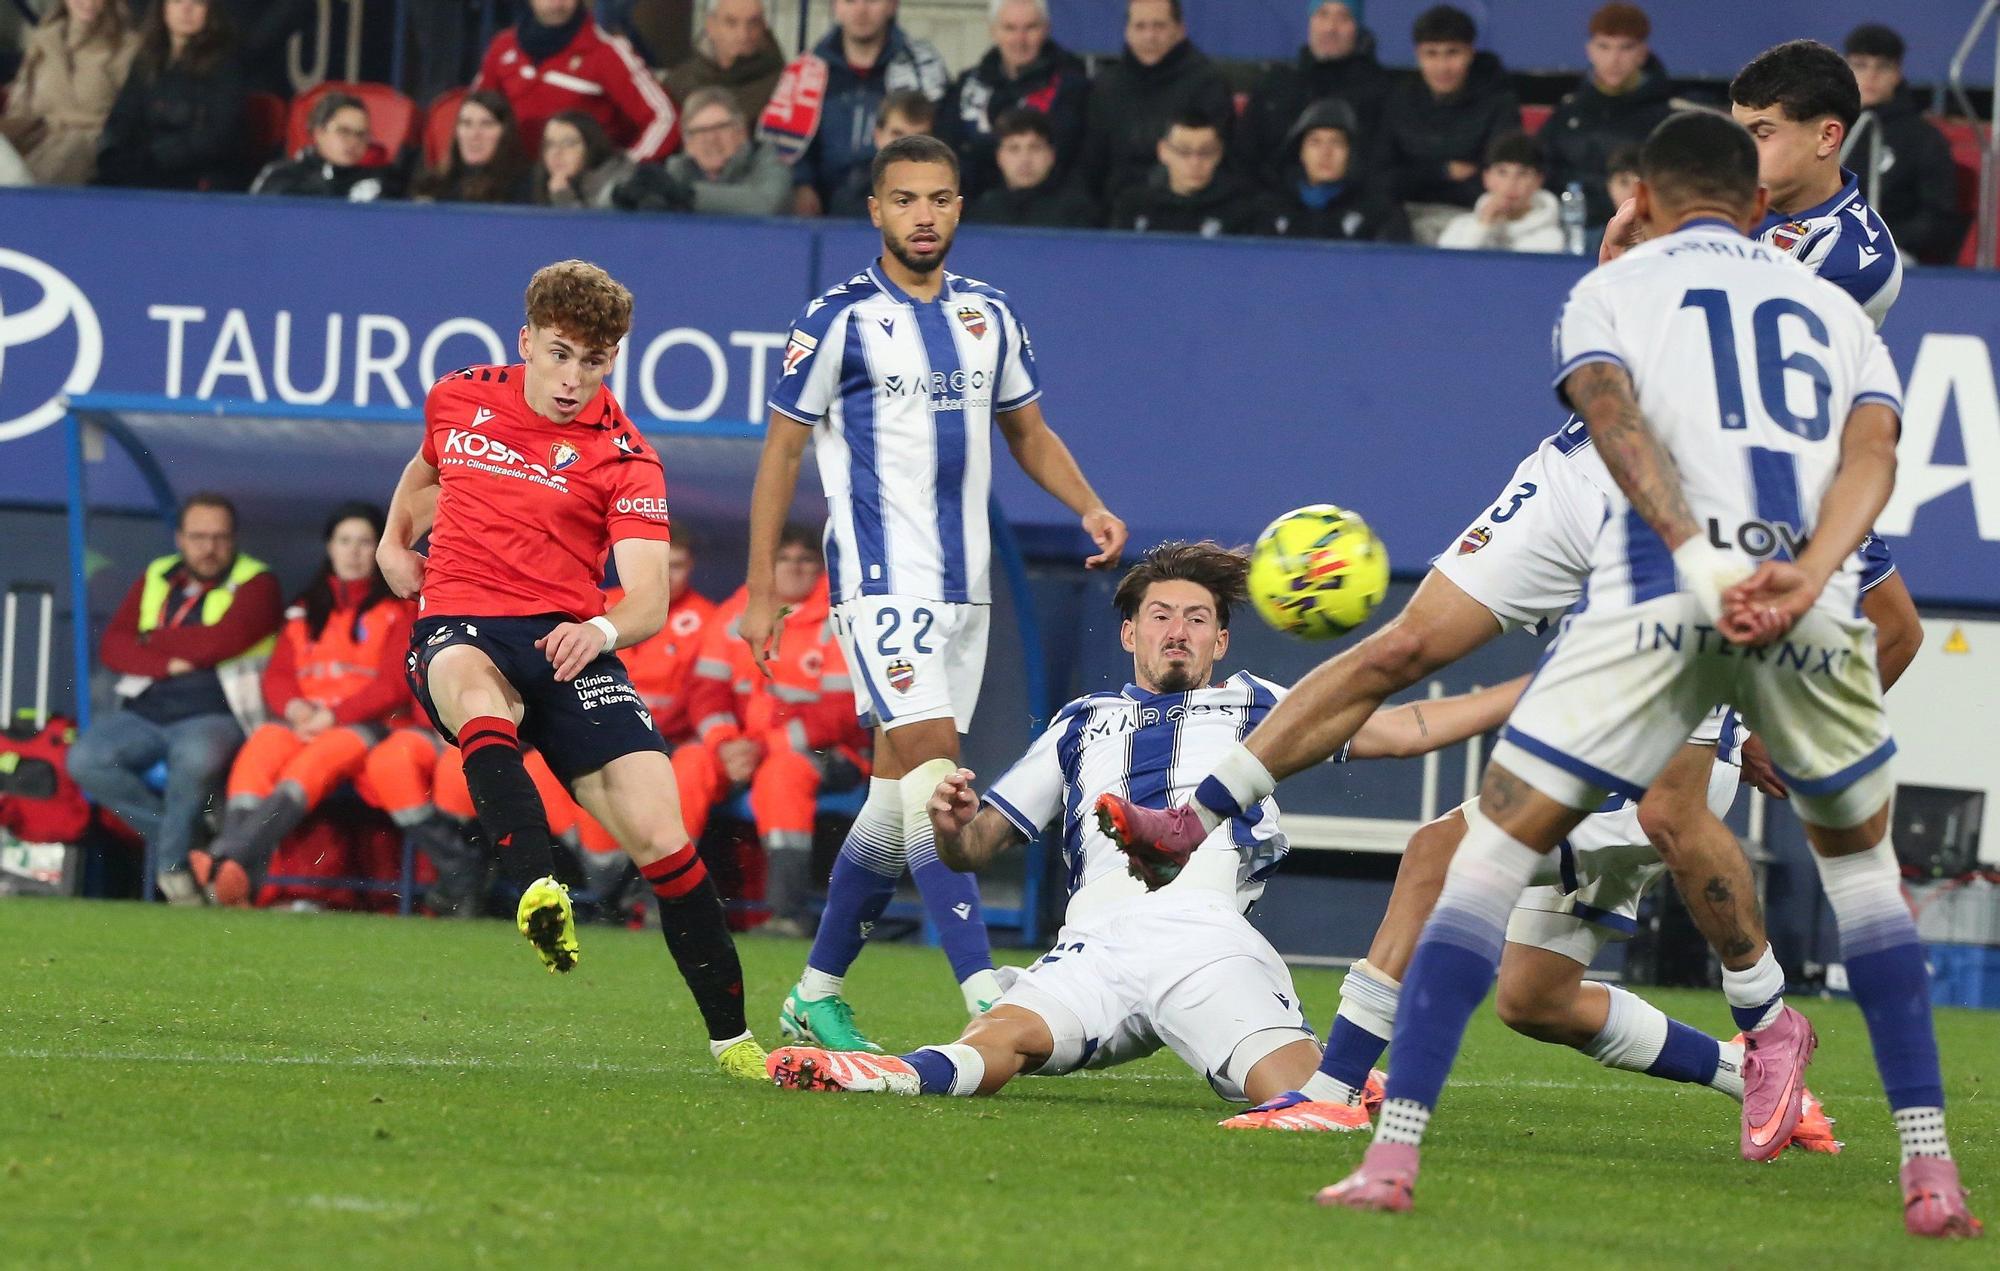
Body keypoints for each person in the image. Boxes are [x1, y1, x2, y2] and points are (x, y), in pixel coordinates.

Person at [1321, 111, 1981, 1240]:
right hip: (1802, 604)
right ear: (1754, 201)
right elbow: (1872, 459)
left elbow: (1613, 421)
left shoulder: (1614, 289)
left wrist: (1692, 550)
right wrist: (1803, 570)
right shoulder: (1837, 309)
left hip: (1656, 605)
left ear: (1645, 199)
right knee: (1867, 886)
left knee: (1484, 853)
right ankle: (1930, 1174)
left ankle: (1391, 1155)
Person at [1227, 534, 1916, 1137]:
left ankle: (1333, 1090)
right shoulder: (1592, 473)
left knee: (1435, 853)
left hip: (1648, 755)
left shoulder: (1757, 490)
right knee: (1536, 1000)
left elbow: (1898, 630)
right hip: (1603, 743)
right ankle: (1750, 1073)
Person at [764, 543, 1499, 1103]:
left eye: (1197, 619)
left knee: (1301, 1098)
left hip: (1202, 937)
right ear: (1128, 635)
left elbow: (1405, 730)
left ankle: (1335, 1080)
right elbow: (976, 847)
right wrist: (952, 825)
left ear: (1220, 643)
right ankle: (886, 1075)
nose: (1177, 631)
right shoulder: (1078, 724)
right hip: (1092, 944)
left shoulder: (1258, 703)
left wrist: (1534, 699)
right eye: (1160, 615)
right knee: (994, 1038)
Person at [749, 134, 1128, 1052]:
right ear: (875, 211)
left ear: (960, 207)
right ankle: (984, 989)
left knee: (893, 803)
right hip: (881, 583)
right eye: (906, 199)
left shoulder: (989, 313)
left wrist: (1087, 503)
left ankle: (814, 994)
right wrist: (762, 589)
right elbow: (782, 452)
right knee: (936, 778)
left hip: (966, 590)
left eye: (941, 198)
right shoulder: (838, 318)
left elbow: (1027, 429)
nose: (924, 215)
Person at [378, 260, 765, 1079]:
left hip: (567, 638)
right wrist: (391, 541)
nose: (572, 380)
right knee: (479, 696)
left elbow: (649, 596)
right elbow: (425, 471)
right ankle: (537, 885)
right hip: (461, 620)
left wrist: (599, 629)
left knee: (661, 834)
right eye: (559, 354)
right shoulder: (458, 395)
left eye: (594, 361)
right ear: (525, 341)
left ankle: (736, 1044)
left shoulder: (626, 457)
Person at [193, 503, 415, 906]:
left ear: (380, 549)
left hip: (369, 728)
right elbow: (278, 674)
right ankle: (236, 877)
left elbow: (394, 685)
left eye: (365, 542)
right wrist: (295, 707)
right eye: (344, 541)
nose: (354, 552)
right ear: (329, 547)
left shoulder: (400, 608)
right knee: (262, 745)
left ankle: (227, 859)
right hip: (306, 721)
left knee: (313, 762)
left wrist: (334, 715)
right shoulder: (304, 607)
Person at [67, 493, 282, 905]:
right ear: (180, 538)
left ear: (234, 540)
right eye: (198, 537)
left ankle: (174, 874)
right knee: (85, 759)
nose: (209, 548)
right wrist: (168, 662)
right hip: (147, 711)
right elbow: (113, 646)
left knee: (195, 760)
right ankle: (193, 844)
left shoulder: (257, 582)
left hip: (218, 713)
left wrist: (151, 639)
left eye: (219, 537)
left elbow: (219, 642)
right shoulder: (158, 575)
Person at [675, 525, 868, 936]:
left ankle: (786, 914)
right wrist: (724, 743)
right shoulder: (736, 614)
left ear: (821, 568)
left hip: (827, 754)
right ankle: (667, 903)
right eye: (784, 559)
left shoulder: (840, 617)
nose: (795, 568)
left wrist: (764, 747)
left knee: (784, 774)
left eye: (806, 560)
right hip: (739, 748)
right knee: (688, 762)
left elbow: (839, 714)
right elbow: (705, 692)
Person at [772, 0, 949, 217]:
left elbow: (941, 141)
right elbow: (784, 144)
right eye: (850, 1)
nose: (861, 10)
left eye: (872, 1)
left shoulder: (923, 68)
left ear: (893, 5)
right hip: (820, 211)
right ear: (834, 6)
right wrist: (802, 184)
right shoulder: (807, 71)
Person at [1375, 4, 1519, 244]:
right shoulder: (1398, 99)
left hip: (1477, 217)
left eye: (1452, 53)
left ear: (1470, 52)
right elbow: (1381, 177)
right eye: (1431, 54)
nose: (1442, 67)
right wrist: (1442, 171)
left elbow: (1499, 181)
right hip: (1403, 218)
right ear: (1418, 55)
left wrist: (1415, 177)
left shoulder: (1498, 102)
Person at [473, 0, 679, 163]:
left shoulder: (608, 52)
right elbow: (473, 112)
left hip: (584, 189)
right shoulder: (502, 46)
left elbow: (665, 118)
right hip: (513, 184)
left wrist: (626, 171)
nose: (556, 2)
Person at [1074, 0, 1232, 212]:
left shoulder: (1207, 84)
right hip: (1115, 211)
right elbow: (1092, 163)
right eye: (1140, 26)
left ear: (1180, 30)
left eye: (1159, 26)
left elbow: (1213, 159)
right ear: (1127, 32)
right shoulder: (1107, 86)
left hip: (1186, 210)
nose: (1149, 36)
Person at [1539, 3, 1674, 229]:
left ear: (1642, 53)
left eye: (1626, 48)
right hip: (1562, 227)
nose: (1614, 59)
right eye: (1604, 47)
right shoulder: (1568, 110)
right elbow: (1541, 167)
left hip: (1637, 228)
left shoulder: (1664, 118)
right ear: (1589, 50)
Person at [1845, 24, 1966, 266]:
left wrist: (1883, 238)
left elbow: (1938, 216)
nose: (1871, 76)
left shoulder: (1924, 138)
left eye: (1883, 67)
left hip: (1892, 251)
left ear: (1897, 73)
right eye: (1861, 65)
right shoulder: (1827, 127)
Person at [941, 0, 1088, 200]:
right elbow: (946, 147)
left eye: (1030, 28)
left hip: (1048, 207)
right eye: (1010, 28)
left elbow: (1068, 154)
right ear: (993, 31)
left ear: (1046, 29)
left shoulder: (1073, 87)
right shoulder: (966, 84)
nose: (1020, 39)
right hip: (972, 206)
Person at [94, 0, 246, 191]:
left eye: (197, 3)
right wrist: (112, 152)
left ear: (210, 11)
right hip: (143, 169)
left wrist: (154, 157)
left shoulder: (226, 64)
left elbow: (218, 136)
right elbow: (122, 116)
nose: (186, 9)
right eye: (177, 1)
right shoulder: (147, 58)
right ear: (162, 8)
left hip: (197, 177)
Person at [1239, 0, 1391, 186]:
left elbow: (1381, 166)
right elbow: (1244, 157)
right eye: (1322, 15)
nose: (1330, 28)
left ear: (1357, 27)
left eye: (1343, 17)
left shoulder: (1380, 92)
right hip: (1274, 197)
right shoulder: (1275, 84)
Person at [0, 0, 140, 187]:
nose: (88, 3)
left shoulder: (126, 47)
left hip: (87, 148)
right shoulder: (45, 39)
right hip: (32, 138)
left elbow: (129, 116)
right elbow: (21, 106)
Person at [609, 529, 715, 749]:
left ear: (691, 566)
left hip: (668, 742)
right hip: (595, 731)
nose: (665, 575)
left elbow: (705, 696)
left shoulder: (710, 620)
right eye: (657, 564)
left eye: (676, 566)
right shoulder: (601, 605)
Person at [1252, 98, 1410, 242]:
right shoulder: (1272, 209)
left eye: (1337, 142)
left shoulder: (1379, 212)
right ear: (1301, 152)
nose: (1326, 153)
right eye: (1315, 142)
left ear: (1351, 154)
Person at [1110, 111, 1257, 237]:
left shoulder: (1244, 209)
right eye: (1183, 151)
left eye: (1206, 152)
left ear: (1219, 153)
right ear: (1163, 151)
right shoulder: (1134, 205)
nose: (1195, 162)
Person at [663, 86, 792, 216]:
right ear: (688, 144)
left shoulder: (769, 159)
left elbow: (766, 205)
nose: (711, 139)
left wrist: (689, 195)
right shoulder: (679, 170)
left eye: (721, 127)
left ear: (741, 132)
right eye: (700, 131)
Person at [250, 91, 400, 201]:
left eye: (361, 134)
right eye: (343, 131)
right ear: (319, 132)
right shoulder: (283, 177)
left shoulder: (384, 182)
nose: (353, 141)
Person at [529, 109, 685, 210]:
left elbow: (594, 236)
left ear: (591, 145)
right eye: (549, 144)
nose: (556, 152)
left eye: (569, 143)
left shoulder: (621, 184)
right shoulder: (536, 184)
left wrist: (563, 199)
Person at [966, 107, 1097, 228]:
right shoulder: (983, 211)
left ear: (1051, 155)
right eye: (1014, 149)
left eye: (1035, 148)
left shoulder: (1076, 212)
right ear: (999, 157)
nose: (1025, 159)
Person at [1438, 132, 1565, 252]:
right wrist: (1482, 227)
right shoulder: (1459, 228)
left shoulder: (1551, 239)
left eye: (1523, 174)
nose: (1511, 184)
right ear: (1486, 178)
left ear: (1538, 181)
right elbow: (1451, 266)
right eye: (1502, 172)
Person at [665, 0, 784, 126]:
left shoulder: (785, 87)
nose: (743, 34)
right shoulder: (678, 84)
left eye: (753, 23)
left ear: (764, 26)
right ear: (711, 26)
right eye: (731, 23)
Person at [825, 86, 933, 218]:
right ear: (878, 136)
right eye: (897, 135)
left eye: (919, 139)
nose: (908, 148)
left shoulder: (948, 199)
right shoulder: (850, 198)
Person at [410, 90, 533, 204]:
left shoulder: (523, 186)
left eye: (486, 124)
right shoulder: (433, 184)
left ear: (505, 132)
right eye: (466, 123)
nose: (474, 134)